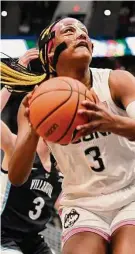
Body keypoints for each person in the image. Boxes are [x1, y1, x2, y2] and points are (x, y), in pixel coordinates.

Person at [0, 17, 135, 254]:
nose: (81, 34)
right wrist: (31, 132)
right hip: (82, 203)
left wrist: (115, 123)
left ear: (92, 48)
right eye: (69, 31)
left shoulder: (116, 81)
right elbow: (18, 177)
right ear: (50, 52)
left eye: (84, 32)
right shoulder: (35, 103)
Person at [1, 49, 63, 254]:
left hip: (34, 240)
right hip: (4, 235)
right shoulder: (15, 146)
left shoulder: (60, 165)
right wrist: (14, 78)